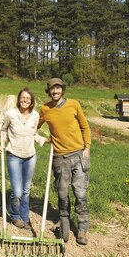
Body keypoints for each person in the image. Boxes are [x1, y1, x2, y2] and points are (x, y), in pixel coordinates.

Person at [38, 78, 91, 245]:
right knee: (62, 194)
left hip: (78, 156)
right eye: (52, 89)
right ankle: (64, 220)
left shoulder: (73, 104)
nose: (55, 92)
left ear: (62, 90)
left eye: (58, 88)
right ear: (49, 91)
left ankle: (82, 228)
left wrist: (87, 148)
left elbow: (85, 126)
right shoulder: (45, 109)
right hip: (60, 158)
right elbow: (33, 126)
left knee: (80, 193)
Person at [0, 88, 45, 230]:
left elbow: (34, 133)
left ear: (31, 102)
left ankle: (24, 218)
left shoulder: (35, 115)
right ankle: (14, 214)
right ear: (19, 99)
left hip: (30, 156)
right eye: (23, 98)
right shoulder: (11, 114)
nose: (25, 100)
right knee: (17, 191)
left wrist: (42, 139)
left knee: (26, 190)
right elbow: (4, 129)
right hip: (14, 155)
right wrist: (1, 144)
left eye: (28, 99)